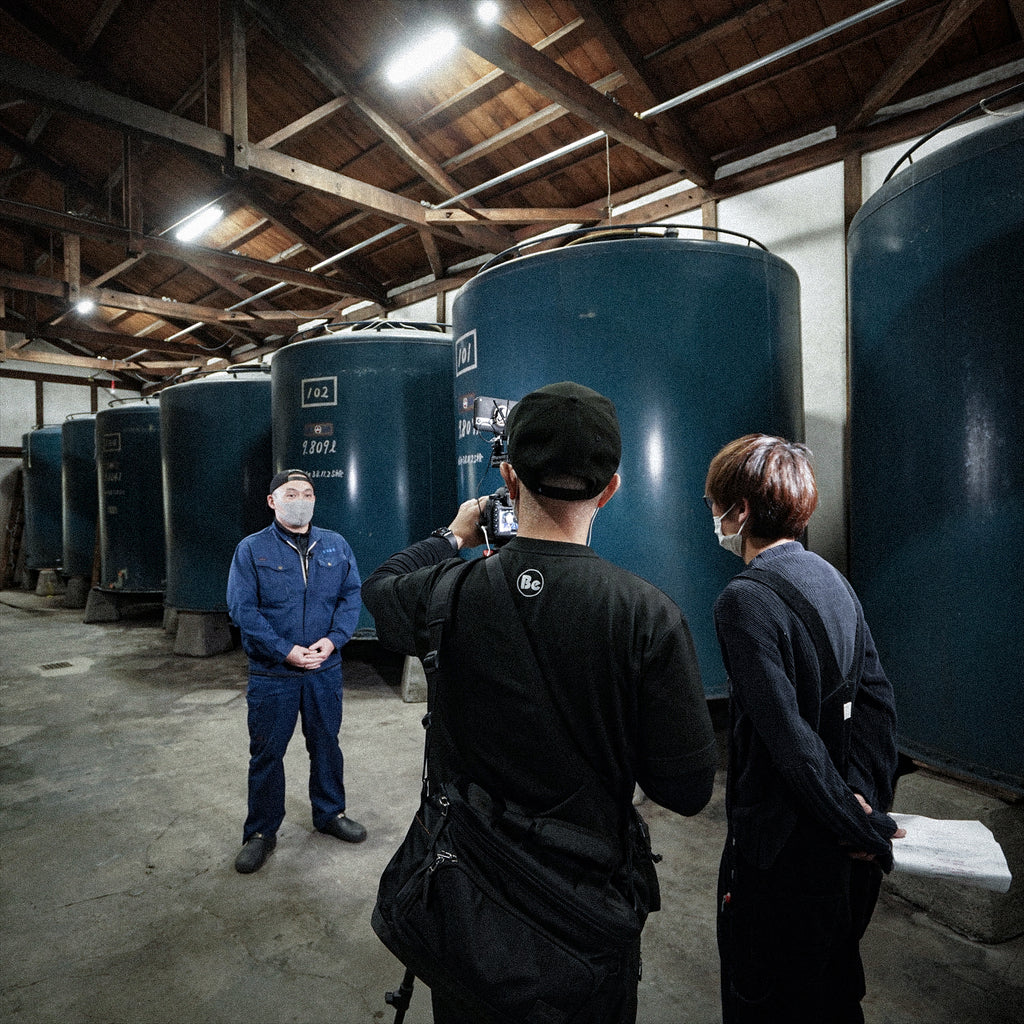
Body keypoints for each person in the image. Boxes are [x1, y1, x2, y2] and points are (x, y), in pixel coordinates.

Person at [362, 381, 717, 1023]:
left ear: (507, 476)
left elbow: (381, 587)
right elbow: (687, 788)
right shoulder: (648, 617)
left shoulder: (448, 593)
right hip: (586, 921)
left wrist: (452, 536)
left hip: (468, 904)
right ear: (611, 488)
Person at [704, 434, 904, 1024]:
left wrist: (859, 827)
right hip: (838, 850)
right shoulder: (831, 578)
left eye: (716, 503)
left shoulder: (742, 601)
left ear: (740, 511)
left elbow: (787, 743)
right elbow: (877, 704)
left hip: (780, 853)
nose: (713, 516)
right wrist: (863, 802)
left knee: (765, 999)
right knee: (832, 994)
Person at [226, 469, 366, 874]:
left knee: (326, 743)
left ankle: (330, 814)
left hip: (324, 667)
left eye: (308, 493)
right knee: (267, 753)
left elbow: (350, 594)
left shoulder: (335, 545)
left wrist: (334, 639)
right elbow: (242, 610)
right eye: (291, 493)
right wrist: (284, 650)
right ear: (273, 501)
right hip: (273, 674)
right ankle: (260, 833)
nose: (301, 499)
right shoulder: (252, 550)